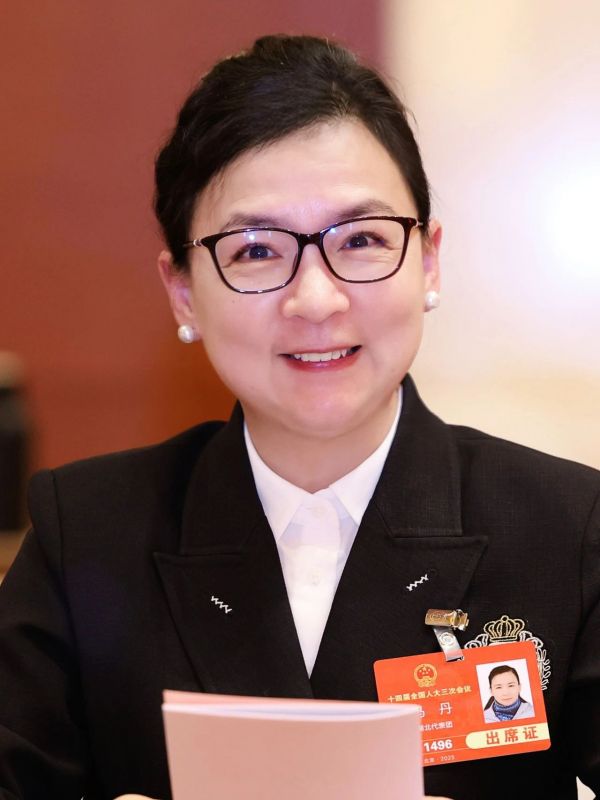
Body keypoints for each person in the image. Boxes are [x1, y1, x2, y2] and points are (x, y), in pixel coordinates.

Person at [0, 33, 598, 800]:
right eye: (256, 250)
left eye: (362, 239)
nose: (316, 299)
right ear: (182, 292)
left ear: (429, 261)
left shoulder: (567, 532)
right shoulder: (86, 534)